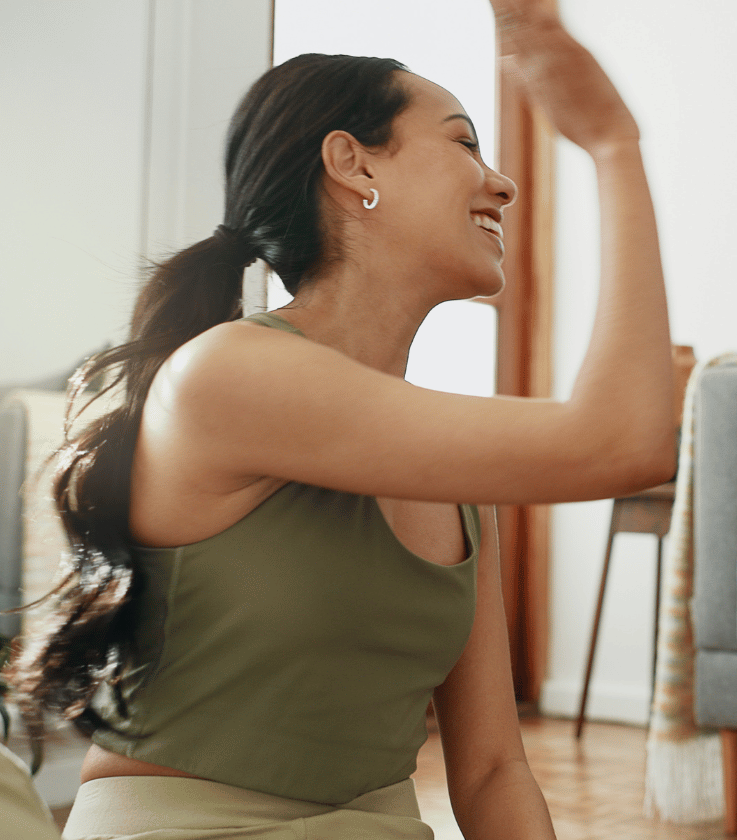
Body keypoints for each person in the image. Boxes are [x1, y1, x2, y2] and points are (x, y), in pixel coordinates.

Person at [3, 0, 673, 837]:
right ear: (354, 166)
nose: (500, 182)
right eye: (465, 142)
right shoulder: (229, 374)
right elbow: (623, 442)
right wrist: (613, 146)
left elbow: (495, 771)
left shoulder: (450, 472)